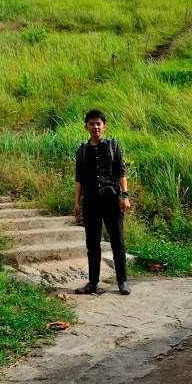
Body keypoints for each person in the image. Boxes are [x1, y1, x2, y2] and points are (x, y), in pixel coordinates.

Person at [74, 110, 131, 295]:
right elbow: (79, 178)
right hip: (90, 201)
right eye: (91, 124)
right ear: (86, 127)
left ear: (103, 126)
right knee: (92, 244)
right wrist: (76, 203)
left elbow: (121, 172)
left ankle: (122, 281)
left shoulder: (113, 147)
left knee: (117, 242)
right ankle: (92, 283)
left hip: (111, 199)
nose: (95, 127)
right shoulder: (82, 151)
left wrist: (125, 196)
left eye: (98, 123)